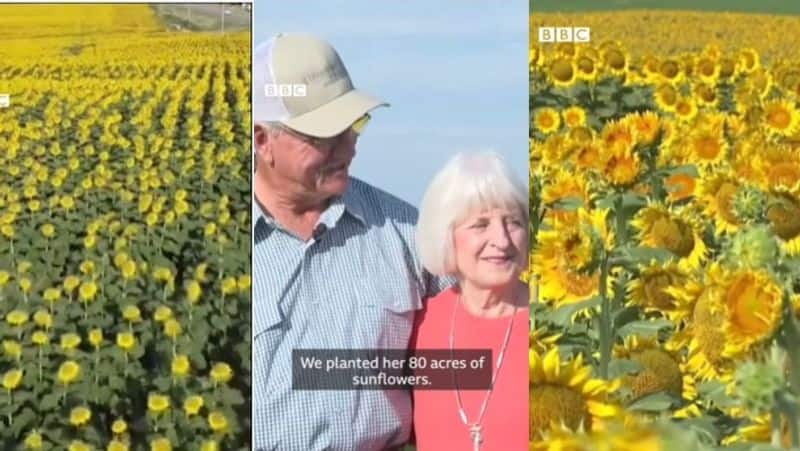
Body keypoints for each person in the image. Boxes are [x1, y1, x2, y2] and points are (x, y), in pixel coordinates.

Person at [251, 32, 451, 451]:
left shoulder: (405, 231)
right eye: (324, 136)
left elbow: (477, 342)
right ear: (262, 140)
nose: (349, 147)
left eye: (353, 126)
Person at [410, 152, 529, 450]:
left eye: (513, 222)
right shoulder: (421, 324)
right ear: (445, 236)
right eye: (480, 225)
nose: (501, 240)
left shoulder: (560, 323)